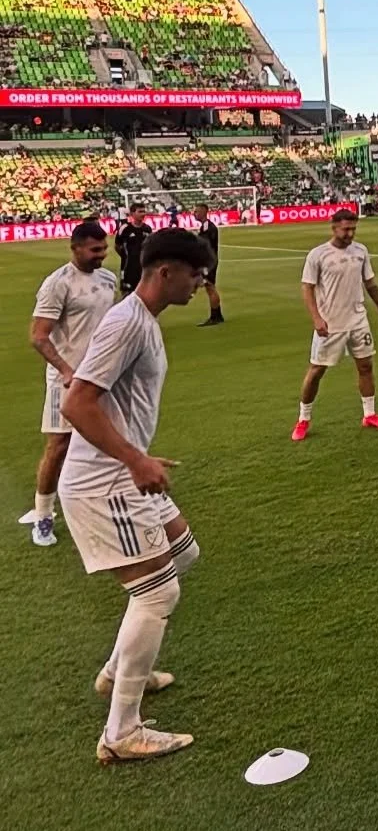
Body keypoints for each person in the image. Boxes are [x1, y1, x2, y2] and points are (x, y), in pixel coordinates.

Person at [58, 228, 213, 763]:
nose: (200, 283)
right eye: (195, 274)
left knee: (183, 552)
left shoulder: (141, 319)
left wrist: (136, 454)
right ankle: (121, 732)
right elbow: (76, 403)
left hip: (121, 471)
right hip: (103, 484)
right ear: (165, 272)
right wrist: (133, 459)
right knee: (158, 593)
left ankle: (118, 669)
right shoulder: (127, 323)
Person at [28, 221, 117, 548]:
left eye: (103, 248)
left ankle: (101, 504)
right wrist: (66, 370)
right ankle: (43, 515)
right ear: (75, 248)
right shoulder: (58, 284)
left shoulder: (108, 279)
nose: (101, 255)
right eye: (95, 250)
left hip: (102, 376)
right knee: (59, 446)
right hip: (66, 380)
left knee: (106, 441)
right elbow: (38, 336)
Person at [292, 209, 378, 440]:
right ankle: (303, 419)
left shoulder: (360, 251)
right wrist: (316, 318)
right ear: (334, 227)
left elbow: (370, 284)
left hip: (358, 320)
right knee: (317, 370)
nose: (350, 234)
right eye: (346, 229)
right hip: (331, 323)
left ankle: (369, 414)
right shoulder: (318, 255)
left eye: (353, 229)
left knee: (365, 366)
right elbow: (307, 288)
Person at [194, 203, 224, 326]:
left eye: (196, 211)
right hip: (210, 261)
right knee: (210, 287)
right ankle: (218, 315)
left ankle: (215, 316)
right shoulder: (205, 227)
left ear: (203, 212)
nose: (194, 214)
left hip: (208, 262)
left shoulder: (207, 227)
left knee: (210, 287)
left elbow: (204, 245)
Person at [115, 206, 150, 297]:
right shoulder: (125, 228)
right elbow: (117, 246)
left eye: (144, 211)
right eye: (140, 211)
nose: (143, 214)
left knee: (144, 295)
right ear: (132, 214)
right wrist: (126, 256)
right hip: (128, 268)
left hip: (143, 268)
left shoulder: (147, 229)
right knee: (127, 295)